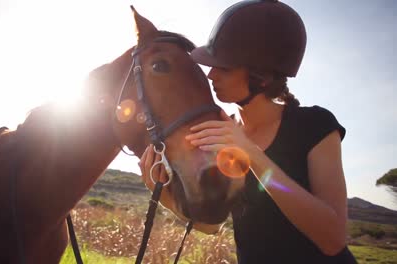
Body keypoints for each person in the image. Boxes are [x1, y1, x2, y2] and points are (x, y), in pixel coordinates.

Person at [139, 0, 358, 263]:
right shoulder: (223, 133)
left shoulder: (314, 125)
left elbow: (333, 239)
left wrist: (251, 154)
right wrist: (164, 196)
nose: (211, 75)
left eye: (224, 67)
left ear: (261, 77)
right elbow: (211, 225)